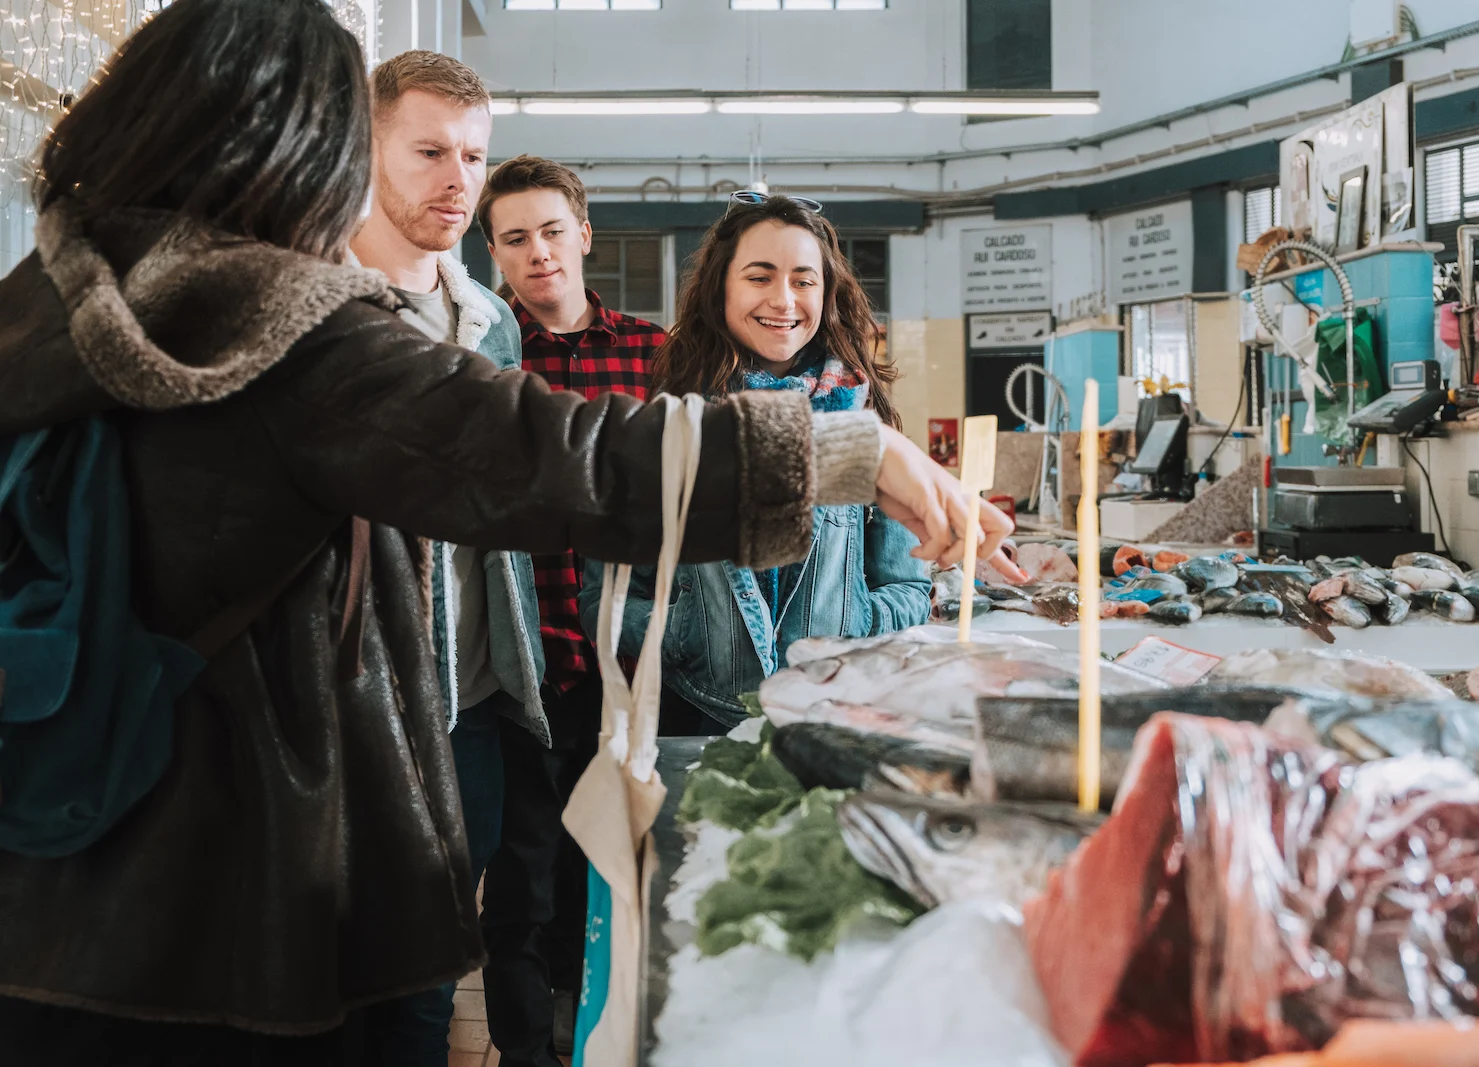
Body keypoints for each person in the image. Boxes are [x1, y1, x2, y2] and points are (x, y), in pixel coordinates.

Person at [0, 0, 1016, 1061]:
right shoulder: (284, 330)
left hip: (53, 863)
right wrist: (847, 448)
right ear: (296, 149)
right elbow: (562, 457)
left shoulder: (42, 306)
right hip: (240, 918)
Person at [344, 51, 534, 1067]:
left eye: (473, 155)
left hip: (466, 698)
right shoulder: (320, 306)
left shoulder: (491, 320)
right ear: (364, 146)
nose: (456, 180)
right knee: (335, 970)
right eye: (427, 152)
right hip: (349, 701)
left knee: (429, 970)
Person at [579, 194, 932, 737]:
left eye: (804, 280)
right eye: (759, 277)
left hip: (832, 714)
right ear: (722, 287)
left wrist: (855, 623)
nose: (784, 299)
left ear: (827, 292)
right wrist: (687, 635)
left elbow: (910, 588)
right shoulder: (672, 425)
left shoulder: (865, 419)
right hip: (700, 712)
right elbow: (604, 599)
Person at [476, 155, 662, 1066]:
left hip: (636, 664)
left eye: (552, 230)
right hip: (523, 662)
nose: (538, 252)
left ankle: (606, 1038)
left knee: (618, 875)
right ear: (494, 253)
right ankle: (526, 1052)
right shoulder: (478, 361)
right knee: (523, 886)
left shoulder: (656, 353)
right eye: (515, 238)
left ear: (584, 233)